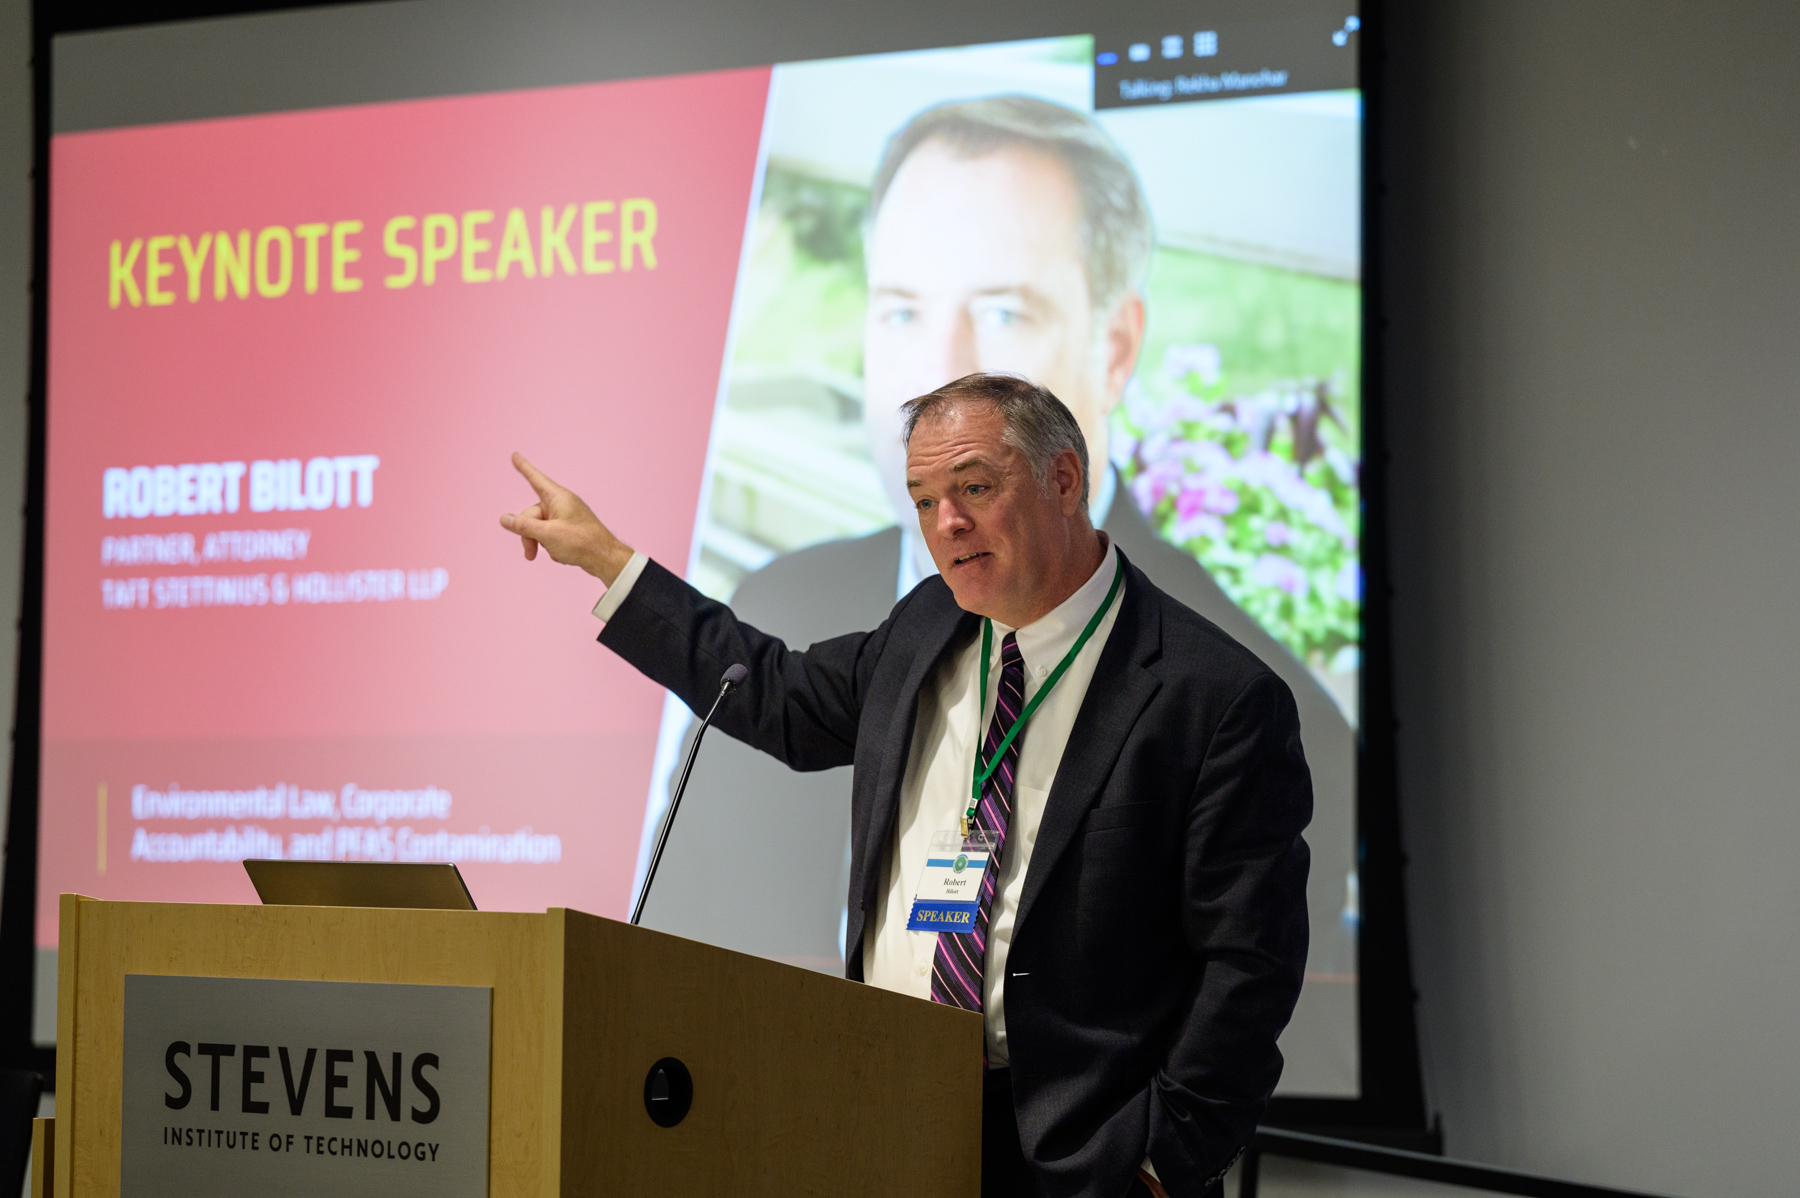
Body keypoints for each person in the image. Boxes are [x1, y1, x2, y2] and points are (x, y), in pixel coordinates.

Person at [501, 373, 1312, 1198]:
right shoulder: (925, 627)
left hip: (1089, 1158)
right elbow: (774, 692)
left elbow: (1249, 967)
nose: (946, 524)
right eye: (924, 500)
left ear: (1064, 480)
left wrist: (1160, 1164)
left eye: (974, 488)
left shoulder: (1213, 696)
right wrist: (608, 560)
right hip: (897, 1122)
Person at [651, 97, 1355, 1011]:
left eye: (1002, 312)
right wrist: (615, 574)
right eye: (901, 313)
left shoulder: (1248, 703)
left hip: (1067, 1152)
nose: (935, 375)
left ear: (1116, 347)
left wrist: (1152, 1158)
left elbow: (1244, 989)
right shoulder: (792, 595)